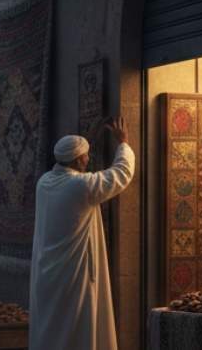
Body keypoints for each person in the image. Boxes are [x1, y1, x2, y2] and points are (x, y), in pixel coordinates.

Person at [29, 117, 135, 350]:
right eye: (86, 156)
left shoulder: (44, 183)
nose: (89, 160)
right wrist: (123, 143)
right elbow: (121, 173)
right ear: (78, 159)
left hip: (48, 277)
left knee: (53, 329)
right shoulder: (81, 186)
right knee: (76, 330)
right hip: (74, 277)